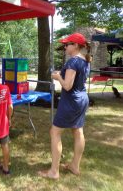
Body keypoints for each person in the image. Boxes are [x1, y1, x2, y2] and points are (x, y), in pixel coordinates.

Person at [38, 33, 91, 180]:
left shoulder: (73, 62)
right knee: (78, 131)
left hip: (71, 101)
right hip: (82, 99)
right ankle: (75, 166)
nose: (65, 47)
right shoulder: (85, 60)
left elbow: (67, 86)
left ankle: (54, 172)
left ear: (75, 46)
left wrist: (57, 77)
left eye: (67, 44)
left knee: (55, 132)